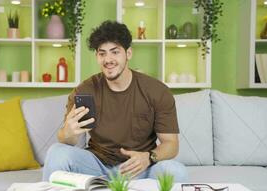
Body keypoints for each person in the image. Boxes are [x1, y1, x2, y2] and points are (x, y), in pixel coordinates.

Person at [43, 20, 187, 182]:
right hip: (96, 167)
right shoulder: (85, 90)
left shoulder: (157, 91)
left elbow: (171, 144)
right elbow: (67, 140)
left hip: (139, 168)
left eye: (115, 52)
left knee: (176, 171)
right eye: (102, 53)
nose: (108, 59)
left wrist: (149, 157)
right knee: (56, 152)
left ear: (128, 53)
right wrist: (67, 133)